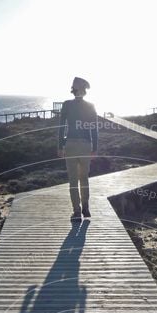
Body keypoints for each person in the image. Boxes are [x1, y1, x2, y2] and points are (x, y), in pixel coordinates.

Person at [57, 77, 98, 221]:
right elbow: (94, 129)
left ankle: (76, 211)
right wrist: (95, 148)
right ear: (85, 90)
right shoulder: (91, 106)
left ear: (73, 90)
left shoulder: (67, 105)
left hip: (71, 145)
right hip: (86, 145)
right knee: (84, 178)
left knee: (73, 180)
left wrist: (60, 146)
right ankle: (86, 208)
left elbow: (62, 127)